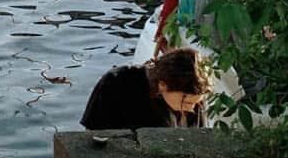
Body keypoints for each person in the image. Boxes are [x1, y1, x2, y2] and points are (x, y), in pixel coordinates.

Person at [81, 46, 210, 130]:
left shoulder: (193, 92)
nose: (192, 109)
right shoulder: (116, 83)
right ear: (162, 85)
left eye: (197, 102)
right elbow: (93, 133)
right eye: (187, 103)